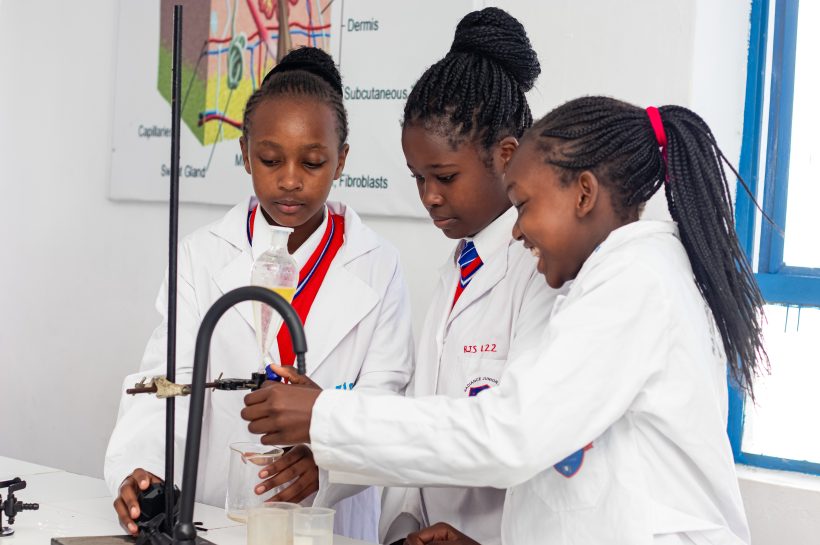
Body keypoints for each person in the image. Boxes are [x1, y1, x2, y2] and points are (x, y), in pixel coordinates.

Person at [242, 96, 767, 545]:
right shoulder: (610, 278)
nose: (517, 232)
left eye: (524, 206)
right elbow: (574, 475)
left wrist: (327, 416)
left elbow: (510, 434)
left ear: (583, 193)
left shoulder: (636, 279)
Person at [104, 47, 414, 542]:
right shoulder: (200, 255)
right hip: (215, 510)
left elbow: (386, 396)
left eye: (313, 162)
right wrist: (144, 470)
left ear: (341, 162)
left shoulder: (377, 263)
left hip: (322, 518)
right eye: (270, 160)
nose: (290, 180)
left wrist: (333, 459)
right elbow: (170, 380)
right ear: (246, 152)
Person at [375, 7, 558, 545]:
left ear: (505, 156)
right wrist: (408, 522)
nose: (429, 196)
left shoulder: (541, 270)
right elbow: (426, 421)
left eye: (445, 177)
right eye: (418, 178)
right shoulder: (460, 267)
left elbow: (531, 450)